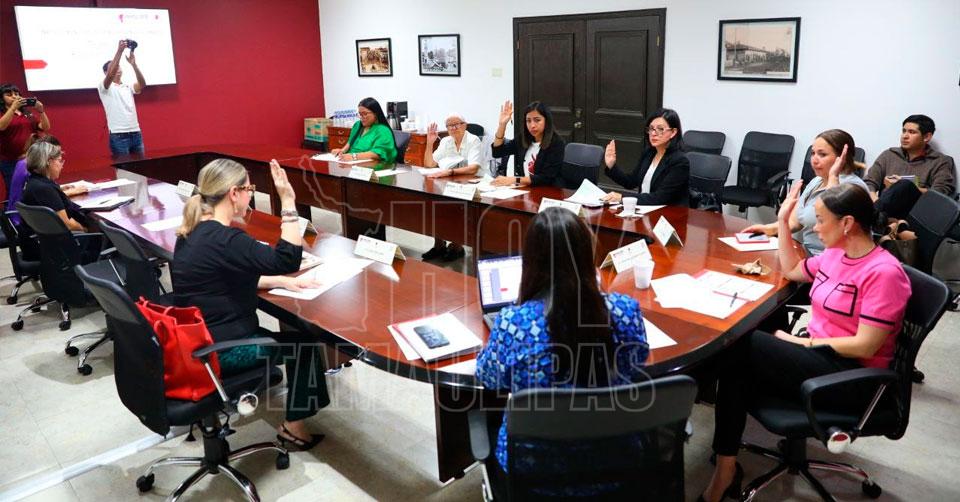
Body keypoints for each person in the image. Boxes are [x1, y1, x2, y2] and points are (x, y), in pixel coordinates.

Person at [699, 183, 910, 502]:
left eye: (821, 220)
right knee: (738, 359)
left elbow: (865, 346)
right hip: (820, 358)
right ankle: (725, 468)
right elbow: (792, 269)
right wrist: (783, 222)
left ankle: (717, 454)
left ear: (847, 223)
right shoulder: (836, 254)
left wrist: (803, 345)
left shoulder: (884, 273)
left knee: (742, 344)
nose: (814, 227)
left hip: (851, 377)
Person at [476, 207, 649, 495]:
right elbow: (637, 362)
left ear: (530, 262)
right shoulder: (625, 311)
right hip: (614, 465)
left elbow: (489, 378)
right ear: (587, 258)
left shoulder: (513, 323)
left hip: (532, 474)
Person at [172, 158, 330, 451]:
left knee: (293, 338)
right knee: (304, 344)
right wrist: (288, 201)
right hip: (221, 351)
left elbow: (224, 276)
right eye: (249, 190)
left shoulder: (192, 232)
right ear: (234, 194)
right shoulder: (228, 239)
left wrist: (280, 282)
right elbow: (288, 258)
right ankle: (294, 426)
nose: (251, 196)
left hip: (194, 344)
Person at [743, 129, 869, 255]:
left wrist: (833, 179)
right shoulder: (816, 181)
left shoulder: (853, 188)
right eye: (813, 153)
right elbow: (795, 222)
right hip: (807, 252)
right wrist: (767, 229)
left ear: (842, 158)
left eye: (822, 154)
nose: (814, 160)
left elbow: (833, 222)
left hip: (832, 259)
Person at [420, 114, 482, 261]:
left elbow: (473, 168)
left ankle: (457, 247)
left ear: (465, 125)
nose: (453, 128)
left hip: (473, 182)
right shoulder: (446, 141)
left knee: (457, 206)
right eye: (449, 125)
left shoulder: (473, 140)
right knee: (434, 202)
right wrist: (430, 143)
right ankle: (439, 245)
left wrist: (450, 172)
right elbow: (429, 164)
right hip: (450, 182)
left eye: (457, 124)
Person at [600, 108, 689, 206]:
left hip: (668, 212)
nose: (653, 133)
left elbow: (659, 198)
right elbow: (631, 182)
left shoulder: (680, 161)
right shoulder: (649, 153)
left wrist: (621, 198)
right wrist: (611, 166)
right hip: (645, 209)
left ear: (673, 132)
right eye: (651, 128)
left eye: (660, 129)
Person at [863, 114, 955, 200]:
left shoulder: (940, 161)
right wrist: (876, 202)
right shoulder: (889, 155)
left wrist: (905, 187)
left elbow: (940, 193)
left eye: (912, 132)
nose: (905, 136)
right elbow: (869, 182)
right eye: (904, 131)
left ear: (927, 137)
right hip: (883, 208)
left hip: (917, 210)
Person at [8, 134, 86, 226]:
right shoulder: (38, 182)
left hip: (27, 220)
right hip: (19, 219)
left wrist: (59, 189)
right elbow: (45, 194)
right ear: (47, 159)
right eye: (59, 159)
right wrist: (86, 229)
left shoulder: (34, 176)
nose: (61, 165)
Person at [490, 100, 565, 187]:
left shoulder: (556, 143)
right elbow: (497, 152)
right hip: (526, 189)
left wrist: (514, 180)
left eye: (537, 120)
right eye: (528, 121)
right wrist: (502, 125)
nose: (532, 125)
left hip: (547, 191)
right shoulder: (523, 138)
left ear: (546, 121)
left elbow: (546, 178)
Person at [99, 40, 147, 157]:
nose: (118, 69)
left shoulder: (128, 86)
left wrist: (134, 65)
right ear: (105, 72)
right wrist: (119, 51)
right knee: (124, 167)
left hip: (136, 132)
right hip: (118, 135)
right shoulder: (104, 87)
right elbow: (111, 75)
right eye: (114, 67)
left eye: (119, 66)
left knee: (142, 165)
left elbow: (142, 84)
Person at [1, 83, 50, 190]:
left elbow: (45, 127)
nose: (14, 96)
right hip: (10, 161)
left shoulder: (27, 113)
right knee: (15, 190)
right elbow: (1, 126)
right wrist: (13, 108)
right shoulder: (2, 113)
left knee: (34, 188)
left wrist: (41, 111)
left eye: (16, 93)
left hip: (31, 159)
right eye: (9, 95)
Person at [330, 97, 397, 164]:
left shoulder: (383, 130)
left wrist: (354, 156)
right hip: (352, 164)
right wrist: (341, 151)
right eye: (360, 114)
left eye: (365, 114)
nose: (362, 117)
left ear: (375, 113)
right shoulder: (357, 125)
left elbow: (378, 153)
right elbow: (350, 143)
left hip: (372, 165)